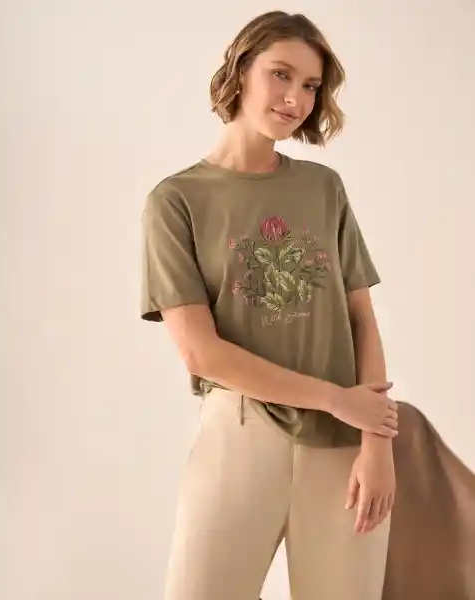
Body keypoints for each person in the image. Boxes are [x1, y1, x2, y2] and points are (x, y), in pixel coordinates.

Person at [141, 10, 399, 600]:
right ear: (240, 70)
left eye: (310, 85)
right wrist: (337, 398)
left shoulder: (323, 188)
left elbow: (361, 319)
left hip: (345, 445)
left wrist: (378, 446)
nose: (295, 98)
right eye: (280, 74)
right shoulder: (176, 201)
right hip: (240, 436)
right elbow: (202, 353)